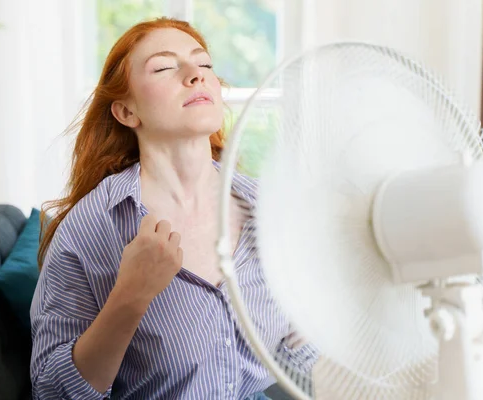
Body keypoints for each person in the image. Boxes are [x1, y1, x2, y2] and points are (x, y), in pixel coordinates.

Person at [30, 17, 317, 400]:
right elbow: (52, 391)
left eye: (205, 65)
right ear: (127, 112)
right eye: (164, 67)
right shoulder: (92, 228)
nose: (195, 75)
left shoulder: (270, 211)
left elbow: (299, 354)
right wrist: (130, 296)